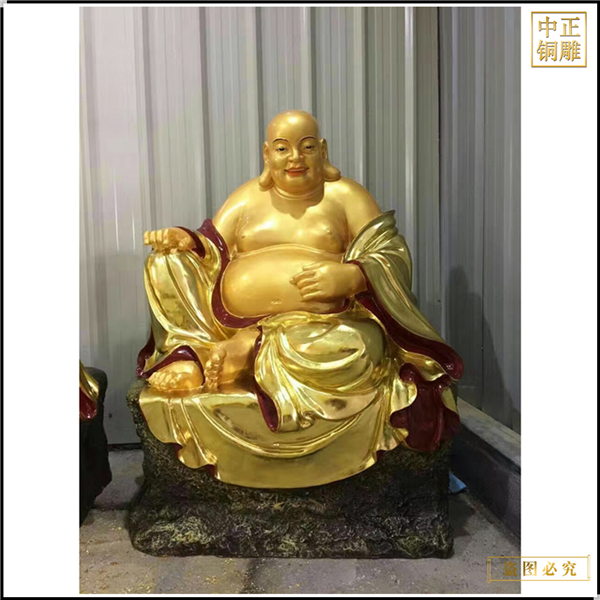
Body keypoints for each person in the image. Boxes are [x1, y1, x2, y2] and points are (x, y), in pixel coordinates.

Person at [137, 110, 463, 488]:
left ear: (322, 151)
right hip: (228, 323)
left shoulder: (346, 197)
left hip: (325, 325)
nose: (295, 158)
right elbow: (211, 250)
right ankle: (198, 352)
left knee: (359, 350)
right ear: (267, 155)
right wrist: (186, 241)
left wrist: (352, 276)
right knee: (164, 263)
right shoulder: (247, 198)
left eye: (306, 147)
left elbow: (391, 256)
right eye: (282, 149)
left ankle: (245, 354)